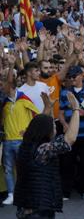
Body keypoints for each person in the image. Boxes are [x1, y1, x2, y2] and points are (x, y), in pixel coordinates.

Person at [13, 92, 80, 219]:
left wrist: (48, 108)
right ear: (46, 131)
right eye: (53, 127)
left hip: (27, 208)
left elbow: (38, 124)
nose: (55, 129)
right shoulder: (44, 149)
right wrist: (76, 109)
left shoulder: (26, 145)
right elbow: (70, 139)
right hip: (39, 210)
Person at [2, 65, 44, 204]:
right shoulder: (4, 104)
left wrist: (28, 130)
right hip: (8, 141)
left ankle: (26, 193)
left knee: (24, 168)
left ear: (12, 88)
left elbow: (37, 116)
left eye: (4, 87)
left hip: (21, 140)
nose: (2, 89)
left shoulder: (24, 99)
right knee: (8, 169)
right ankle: (11, 194)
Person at [58, 65, 84, 201]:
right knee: (67, 163)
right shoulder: (64, 93)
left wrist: (77, 111)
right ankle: (66, 191)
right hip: (70, 135)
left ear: (82, 76)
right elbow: (60, 112)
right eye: (70, 76)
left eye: (74, 76)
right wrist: (65, 124)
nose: (72, 78)